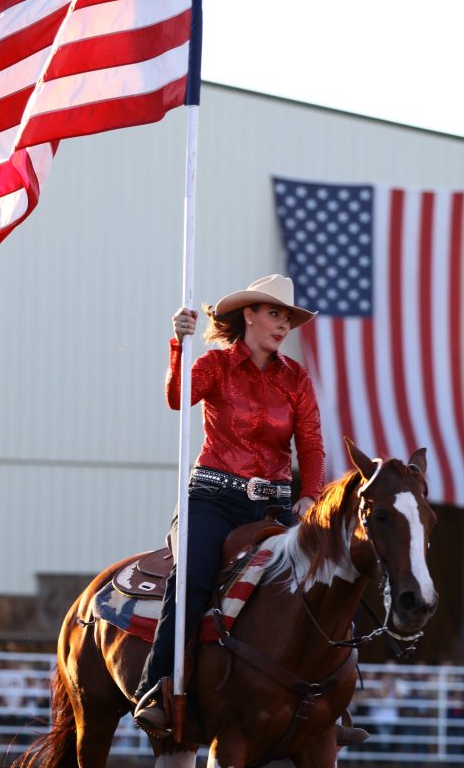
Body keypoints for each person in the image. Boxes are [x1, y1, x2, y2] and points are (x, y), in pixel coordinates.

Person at [133, 274, 329, 738]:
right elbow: (178, 399)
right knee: (194, 577)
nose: (283, 325)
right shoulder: (216, 365)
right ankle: (154, 688)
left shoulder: (296, 379)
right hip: (213, 499)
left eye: (288, 318)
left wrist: (310, 496)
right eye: (275, 313)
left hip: (275, 506)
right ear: (250, 314)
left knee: (322, 578)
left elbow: (313, 446)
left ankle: (326, 701)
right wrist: (178, 346)